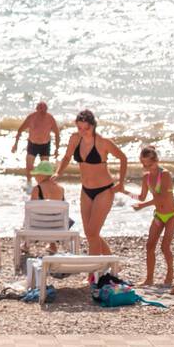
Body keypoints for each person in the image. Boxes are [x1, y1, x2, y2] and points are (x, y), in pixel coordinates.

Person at [53, 109, 126, 257]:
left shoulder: (103, 142)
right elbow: (67, 157)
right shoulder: (75, 139)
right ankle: (110, 262)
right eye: (80, 128)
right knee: (91, 233)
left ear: (93, 126)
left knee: (93, 233)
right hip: (86, 190)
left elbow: (123, 158)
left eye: (86, 128)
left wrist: (121, 183)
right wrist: (59, 172)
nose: (83, 131)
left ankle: (92, 275)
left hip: (104, 190)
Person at [132, 145, 174, 286]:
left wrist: (143, 206)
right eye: (144, 165)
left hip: (171, 215)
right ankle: (149, 279)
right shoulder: (146, 177)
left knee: (165, 247)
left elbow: (162, 198)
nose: (147, 168)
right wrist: (124, 191)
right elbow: (142, 196)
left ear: (156, 161)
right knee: (150, 246)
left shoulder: (165, 175)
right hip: (159, 215)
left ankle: (170, 273)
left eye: (149, 165)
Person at [13, 101, 61, 188]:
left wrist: (57, 149)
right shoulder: (31, 117)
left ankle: (43, 187)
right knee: (29, 167)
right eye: (41, 109)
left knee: (45, 169)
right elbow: (20, 130)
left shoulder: (50, 118)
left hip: (45, 145)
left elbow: (57, 133)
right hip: (33, 144)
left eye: (44, 109)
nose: (43, 111)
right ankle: (29, 185)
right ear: (37, 109)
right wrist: (15, 144)